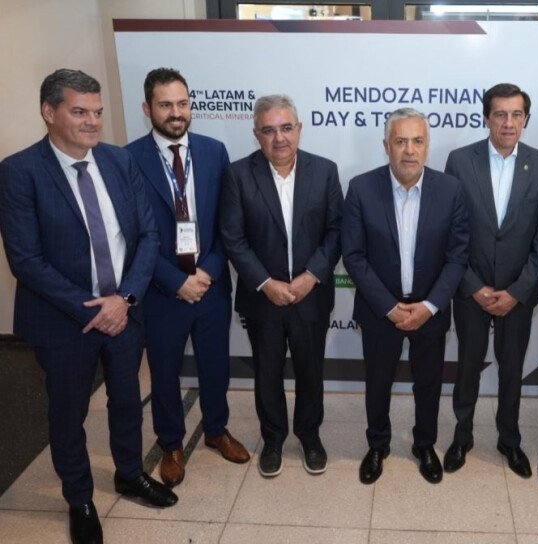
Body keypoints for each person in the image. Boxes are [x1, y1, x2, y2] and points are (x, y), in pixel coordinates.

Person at [0, 68, 177, 544]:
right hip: (64, 322)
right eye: (80, 112)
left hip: (125, 312)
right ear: (49, 112)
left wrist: (126, 299)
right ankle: (79, 499)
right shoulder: (19, 172)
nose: (92, 122)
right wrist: (95, 310)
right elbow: (26, 261)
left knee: (127, 401)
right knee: (68, 414)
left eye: (97, 112)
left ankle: (129, 474)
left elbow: (148, 236)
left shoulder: (119, 161)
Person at [126, 68, 249, 488]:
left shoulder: (214, 152)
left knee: (216, 364)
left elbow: (229, 223)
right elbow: (131, 234)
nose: (175, 113)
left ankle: (216, 429)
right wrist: (175, 280)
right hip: (162, 290)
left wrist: (208, 271)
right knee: (164, 371)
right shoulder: (128, 159)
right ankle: (171, 443)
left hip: (211, 284)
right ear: (147, 109)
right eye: (165, 105)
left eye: (182, 103)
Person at [342, 108, 469, 485]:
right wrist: (388, 307)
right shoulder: (361, 188)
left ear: (427, 146)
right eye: (400, 141)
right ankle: (377, 445)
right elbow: (354, 256)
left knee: (428, 383)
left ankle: (424, 445)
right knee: (378, 382)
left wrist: (429, 306)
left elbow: (458, 255)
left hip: (430, 308)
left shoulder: (451, 190)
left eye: (417, 141)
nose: (409, 150)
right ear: (386, 146)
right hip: (380, 309)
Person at [220, 94, 343, 478]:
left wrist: (311, 276)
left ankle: (309, 436)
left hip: (311, 296)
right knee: (267, 373)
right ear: (256, 134)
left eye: (286, 128)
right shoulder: (238, 175)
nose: (279, 138)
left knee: (311, 371)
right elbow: (233, 238)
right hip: (263, 299)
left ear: (299, 129)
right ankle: (272, 439)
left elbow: (337, 231)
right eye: (269, 130)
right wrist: (264, 283)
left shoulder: (325, 171)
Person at [442, 83, 538, 478]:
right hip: (470, 290)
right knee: (467, 367)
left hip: (517, 293)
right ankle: (462, 436)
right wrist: (472, 285)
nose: (508, 123)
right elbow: (451, 231)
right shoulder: (460, 160)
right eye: (500, 114)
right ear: (486, 118)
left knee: (511, 370)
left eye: (516, 114)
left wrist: (518, 290)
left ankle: (509, 439)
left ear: (526, 119)